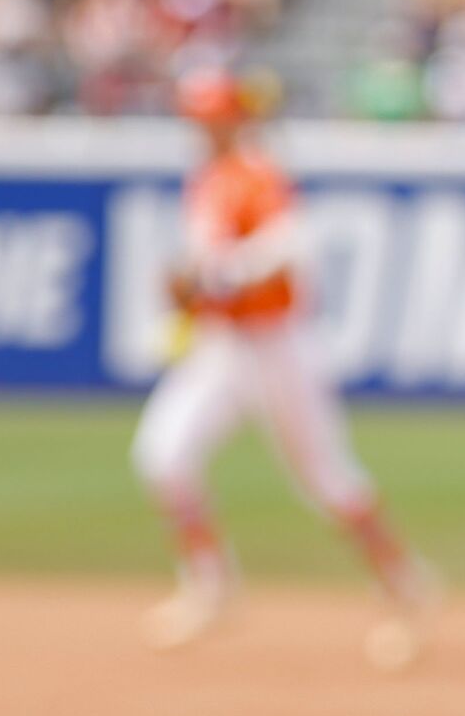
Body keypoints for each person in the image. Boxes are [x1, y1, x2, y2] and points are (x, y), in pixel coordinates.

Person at [132, 67, 438, 670]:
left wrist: (216, 276)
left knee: (327, 478)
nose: (200, 128)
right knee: (162, 455)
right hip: (223, 345)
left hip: (277, 345)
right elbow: (206, 271)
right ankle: (211, 585)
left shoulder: (253, 173)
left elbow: (291, 246)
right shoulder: (211, 178)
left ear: (232, 118)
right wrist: (190, 299)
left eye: (208, 117)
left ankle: (404, 582)